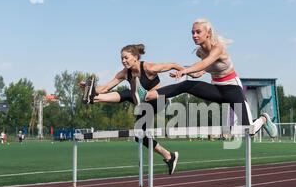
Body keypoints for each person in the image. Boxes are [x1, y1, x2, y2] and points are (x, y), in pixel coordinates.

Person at [141, 18, 277, 138]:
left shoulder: (218, 48)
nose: (194, 35)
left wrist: (185, 70)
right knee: (186, 85)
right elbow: (199, 72)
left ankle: (264, 119)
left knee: (249, 130)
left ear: (208, 33)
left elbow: (205, 63)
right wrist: (181, 70)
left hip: (232, 89)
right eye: (192, 32)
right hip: (216, 89)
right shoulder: (200, 52)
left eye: (198, 32)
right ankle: (152, 94)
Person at [81, 44, 182, 175]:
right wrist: (91, 89)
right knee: (139, 134)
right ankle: (169, 156)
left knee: (128, 92)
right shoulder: (124, 73)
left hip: (159, 100)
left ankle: (137, 92)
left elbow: (173, 64)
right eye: (121, 59)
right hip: (142, 103)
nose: (123, 61)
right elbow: (105, 87)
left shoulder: (149, 67)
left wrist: (187, 71)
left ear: (135, 57)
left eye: (126, 58)